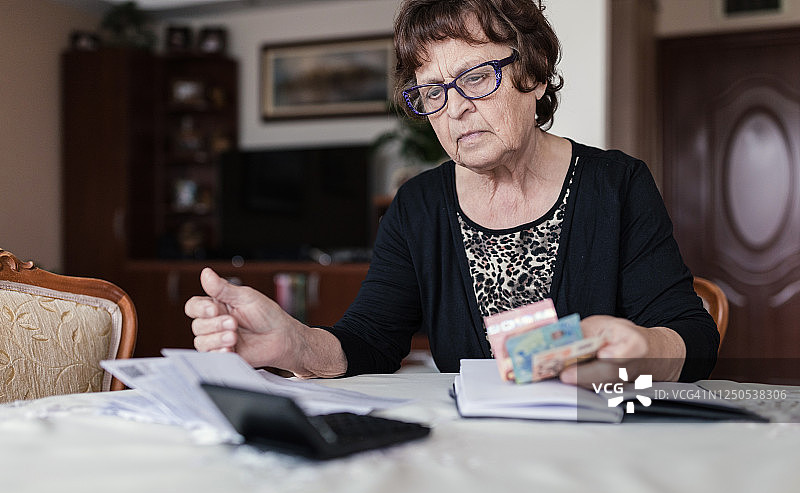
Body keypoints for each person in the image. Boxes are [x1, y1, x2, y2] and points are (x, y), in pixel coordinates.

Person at [185, 0, 718, 386]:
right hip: (469, 453)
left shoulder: (616, 186)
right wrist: (294, 342)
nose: (455, 107)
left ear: (532, 72)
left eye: (476, 76)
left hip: (599, 449)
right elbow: (371, 338)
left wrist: (645, 349)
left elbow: (691, 335)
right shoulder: (418, 207)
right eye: (432, 91)